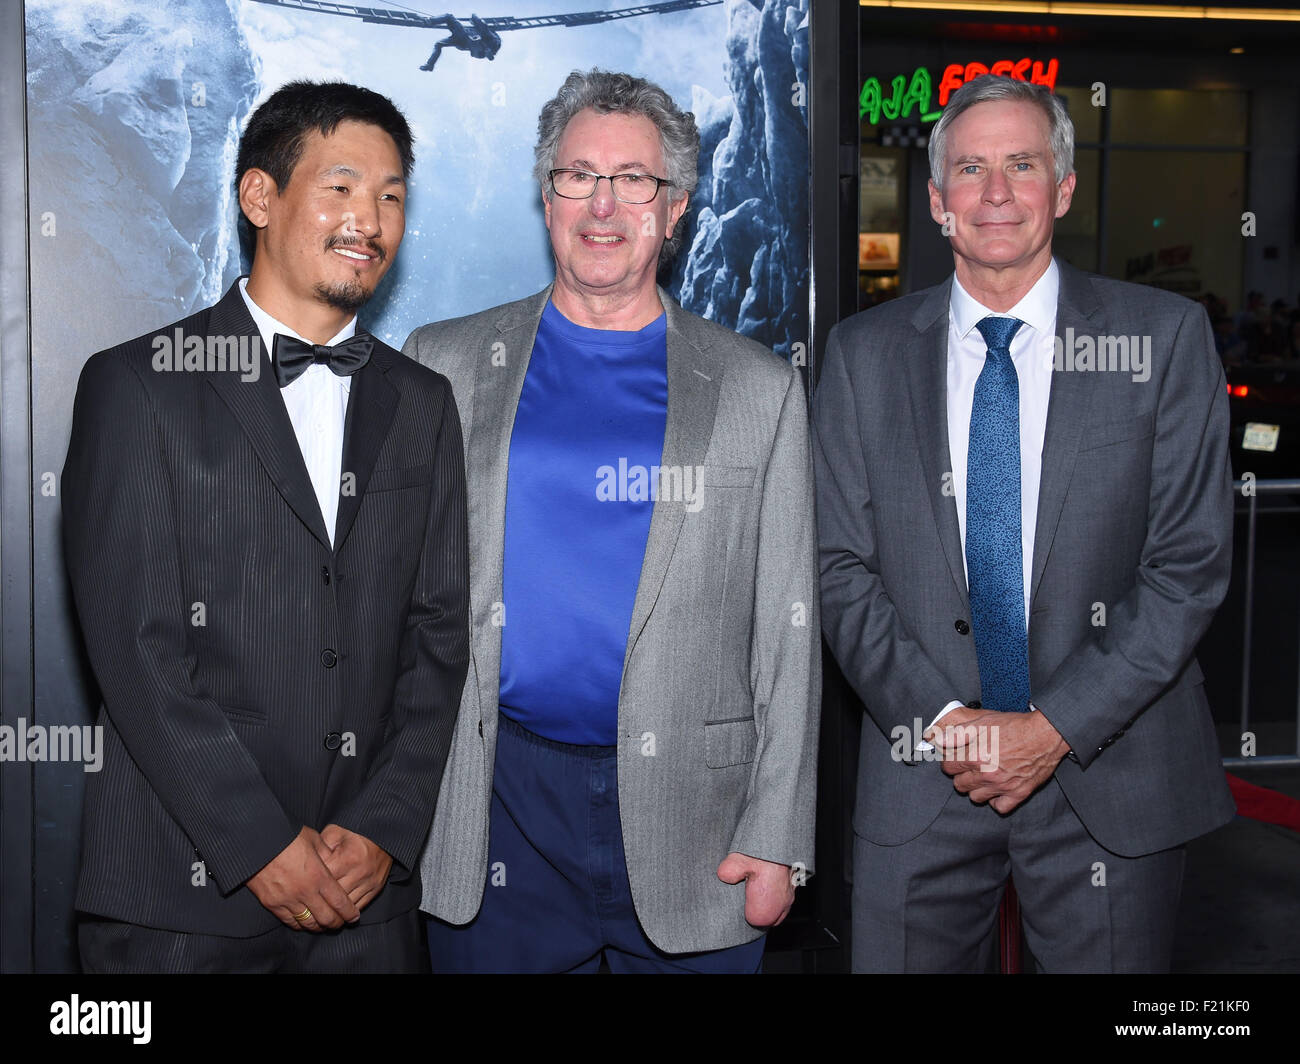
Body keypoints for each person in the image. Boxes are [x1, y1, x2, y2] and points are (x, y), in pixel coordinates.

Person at [814, 74, 1234, 973]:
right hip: (921, 769)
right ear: (935, 200)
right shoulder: (861, 356)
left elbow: (1188, 567)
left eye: (1021, 164)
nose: (995, 192)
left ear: (1065, 188)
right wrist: (953, 727)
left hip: (1111, 774)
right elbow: (837, 568)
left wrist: (1052, 729)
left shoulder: (1162, 341)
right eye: (970, 168)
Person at [405, 69, 819, 973]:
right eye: (577, 175)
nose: (603, 203)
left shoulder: (760, 389)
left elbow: (790, 634)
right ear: (545, 196)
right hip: (497, 810)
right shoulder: (444, 362)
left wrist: (780, 832)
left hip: (695, 823)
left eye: (634, 180)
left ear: (674, 211)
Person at [61, 80, 470, 973]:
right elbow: (136, 652)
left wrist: (383, 827)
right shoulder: (137, 385)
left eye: (391, 196)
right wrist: (258, 846)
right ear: (259, 197)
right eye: (342, 186)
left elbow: (438, 641)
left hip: (370, 907)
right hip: (179, 901)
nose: (369, 218)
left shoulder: (424, 405)